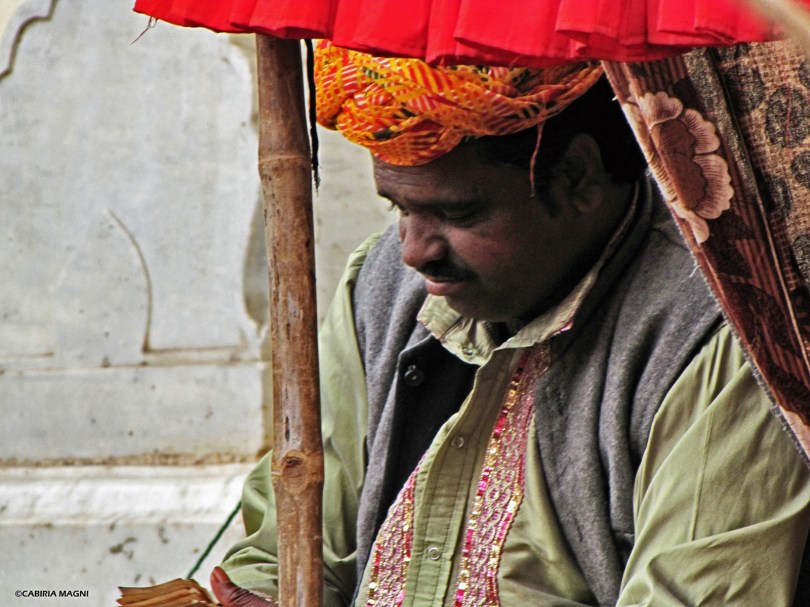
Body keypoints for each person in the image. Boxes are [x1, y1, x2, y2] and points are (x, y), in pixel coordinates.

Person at [211, 41, 810, 607]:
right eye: (399, 208)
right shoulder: (381, 286)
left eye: (456, 212)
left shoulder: (721, 328)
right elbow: (292, 550)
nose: (414, 250)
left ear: (576, 177)